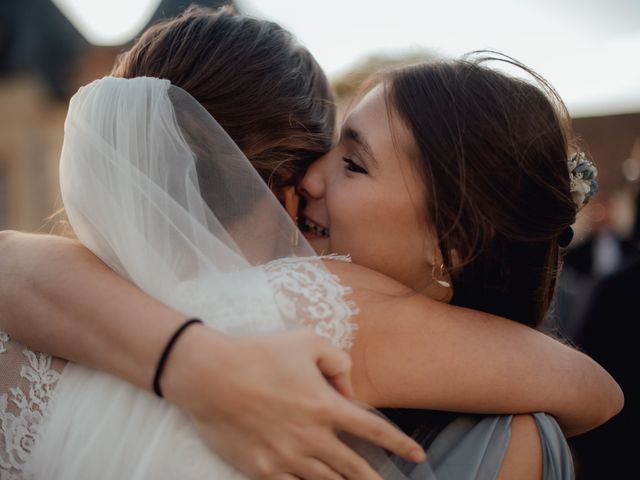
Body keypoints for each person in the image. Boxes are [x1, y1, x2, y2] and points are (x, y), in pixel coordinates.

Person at [0, 6, 622, 480]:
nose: (316, 179)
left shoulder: (36, 327)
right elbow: (594, 391)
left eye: (353, 164)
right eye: (327, 153)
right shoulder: (319, 306)